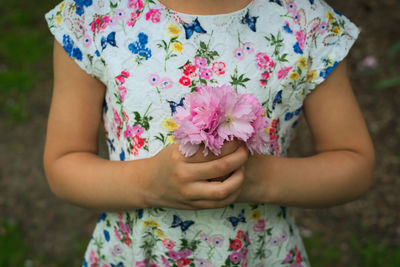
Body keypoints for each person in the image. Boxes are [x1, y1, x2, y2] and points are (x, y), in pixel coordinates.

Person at [43, 0, 375, 265]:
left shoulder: (307, 24)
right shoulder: (95, 17)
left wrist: (257, 178)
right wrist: (150, 184)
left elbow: (354, 166)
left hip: (259, 253)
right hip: (135, 254)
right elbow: (63, 165)